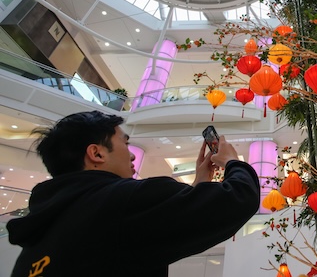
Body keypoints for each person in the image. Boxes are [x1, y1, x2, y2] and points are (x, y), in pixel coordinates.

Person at [7, 111, 260, 276]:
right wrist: (233, 162)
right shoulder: (123, 201)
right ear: (96, 153)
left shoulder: (35, 241)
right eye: (124, 143)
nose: (130, 154)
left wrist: (197, 185)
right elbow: (238, 198)